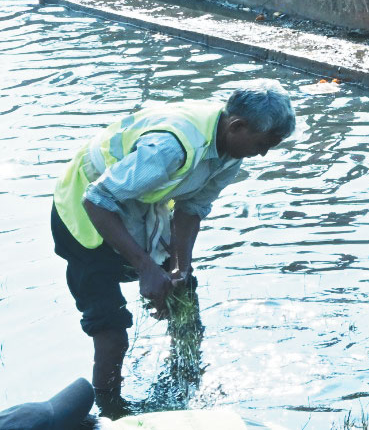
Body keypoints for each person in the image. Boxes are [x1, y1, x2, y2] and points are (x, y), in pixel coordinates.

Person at [50, 80, 295, 409]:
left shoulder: (230, 150)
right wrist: (146, 267)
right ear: (238, 126)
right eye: (263, 144)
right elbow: (97, 200)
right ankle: (110, 410)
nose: (263, 153)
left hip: (139, 202)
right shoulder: (172, 147)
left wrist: (181, 267)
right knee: (111, 332)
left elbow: (190, 209)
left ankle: (185, 386)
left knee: (184, 297)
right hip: (86, 213)